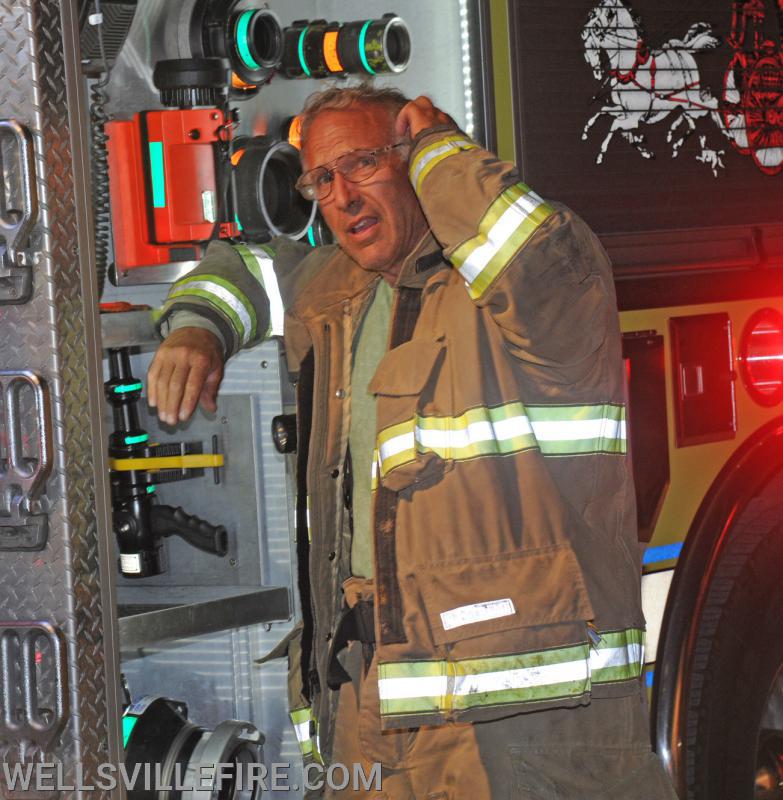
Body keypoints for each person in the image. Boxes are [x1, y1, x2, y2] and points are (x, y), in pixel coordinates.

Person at [147, 85, 678, 799]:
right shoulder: (335, 291)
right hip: (369, 694)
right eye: (321, 179)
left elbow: (531, 257)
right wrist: (197, 326)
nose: (340, 196)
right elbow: (250, 270)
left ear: (416, 158)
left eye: (364, 162)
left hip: (512, 715)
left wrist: (441, 150)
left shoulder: (530, 281)